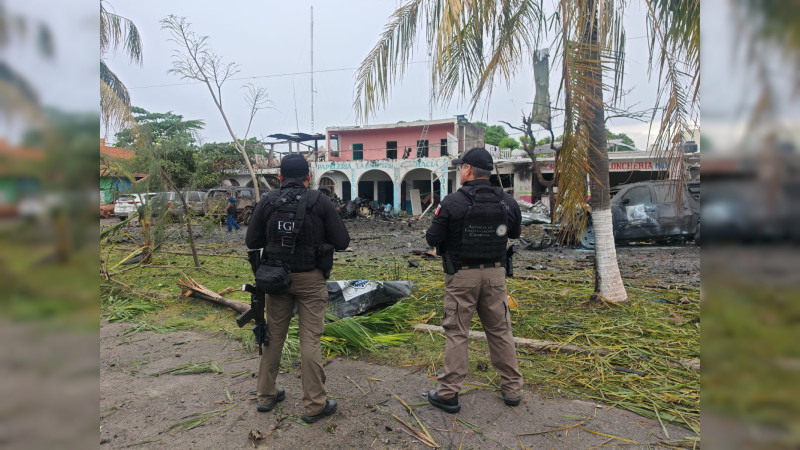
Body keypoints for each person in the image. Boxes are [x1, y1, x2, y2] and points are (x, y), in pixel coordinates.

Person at [245, 154, 350, 424]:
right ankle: (315, 404)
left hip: (276, 281)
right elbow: (342, 241)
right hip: (312, 281)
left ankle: (266, 396)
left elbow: (252, 240)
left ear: (279, 177)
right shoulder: (321, 201)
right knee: (310, 341)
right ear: (308, 177)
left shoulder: (267, 201)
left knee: (272, 336)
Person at [424, 147, 523, 413]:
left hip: (461, 276)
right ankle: (512, 389)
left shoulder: (452, 202)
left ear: (468, 169)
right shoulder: (507, 202)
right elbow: (513, 232)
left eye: (461, 167)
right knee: (501, 331)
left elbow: (432, 239)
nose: (460, 171)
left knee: (457, 333)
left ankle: (448, 394)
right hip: (495, 275)